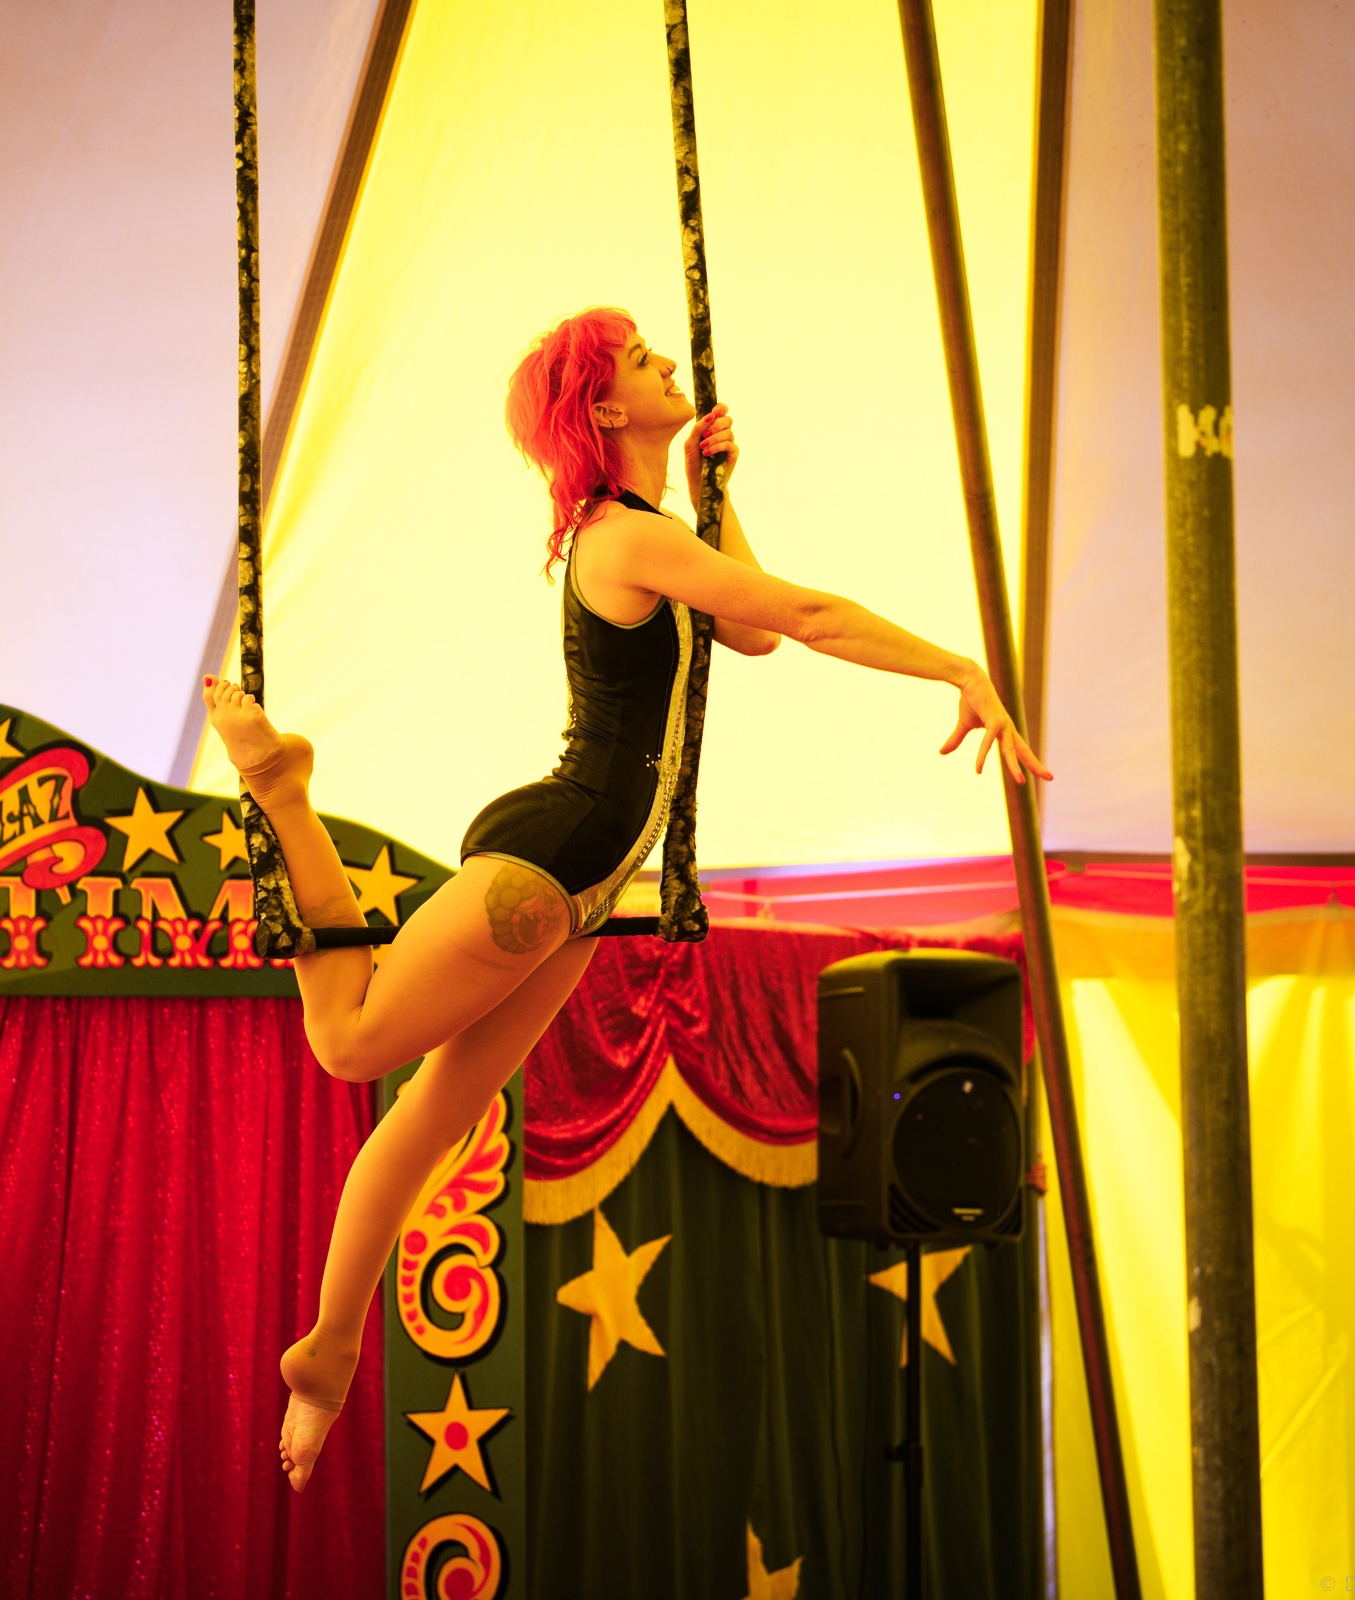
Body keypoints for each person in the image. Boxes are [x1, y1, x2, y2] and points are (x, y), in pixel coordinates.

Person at [201, 305, 1051, 1491]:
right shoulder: (615, 537)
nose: (666, 363)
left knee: (433, 1113)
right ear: (602, 407)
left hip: (586, 882)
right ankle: (283, 790)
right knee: (349, 1044)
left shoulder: (650, 534)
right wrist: (955, 665)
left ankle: (331, 1347)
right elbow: (800, 616)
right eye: (641, 359)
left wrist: (714, 494)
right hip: (551, 856)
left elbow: (745, 632)